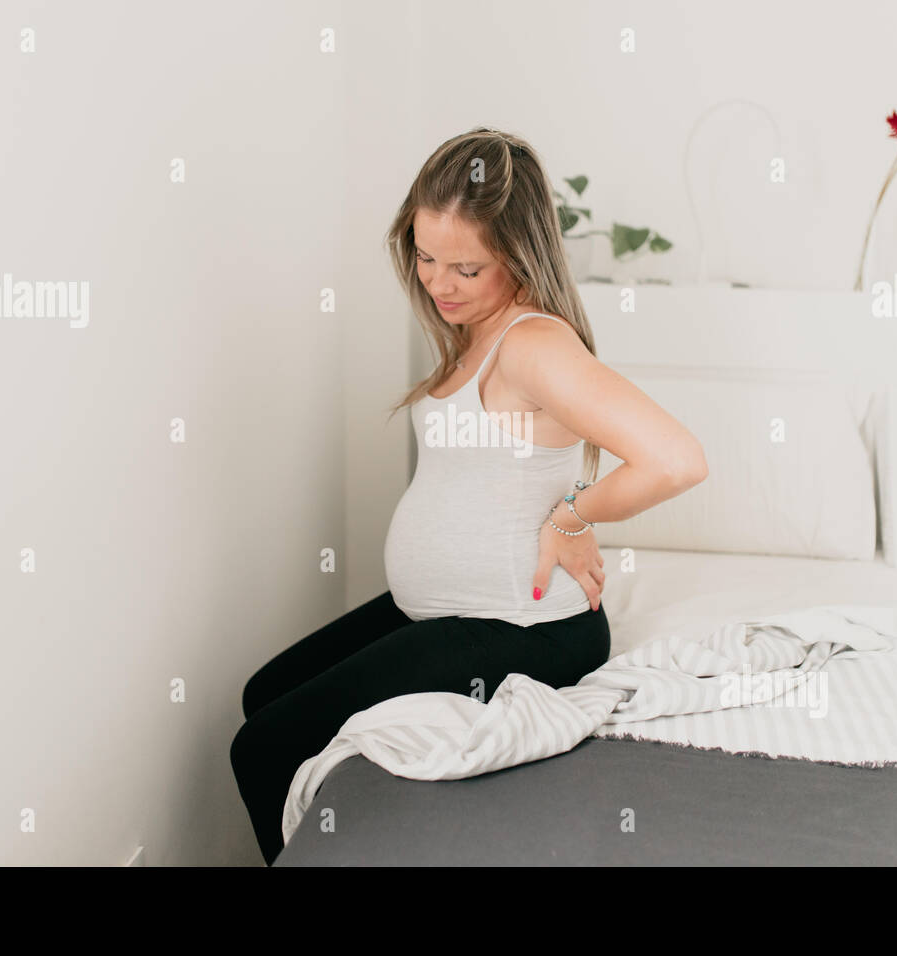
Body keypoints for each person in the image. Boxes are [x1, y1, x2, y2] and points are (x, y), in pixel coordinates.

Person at [230, 127, 709, 864]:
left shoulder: (533, 344)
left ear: (519, 257)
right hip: (449, 610)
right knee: (263, 695)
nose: (438, 282)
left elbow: (676, 459)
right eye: (424, 256)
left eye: (466, 267)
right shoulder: (477, 331)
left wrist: (575, 514)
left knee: (262, 747)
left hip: (520, 627)